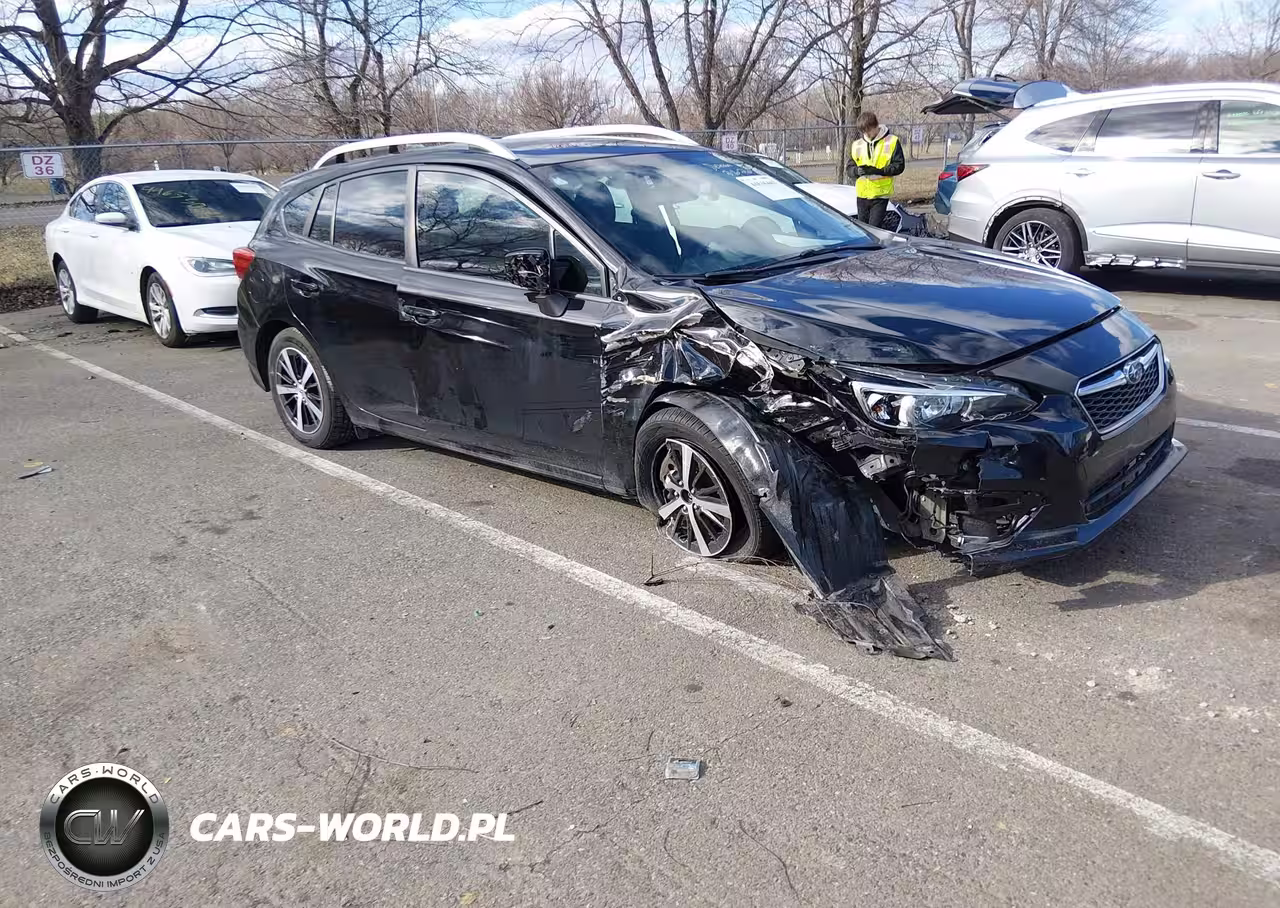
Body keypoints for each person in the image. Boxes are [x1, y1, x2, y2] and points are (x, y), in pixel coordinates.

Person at [846, 112, 905, 228]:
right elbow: (849, 168)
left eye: (869, 130)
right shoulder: (857, 145)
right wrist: (856, 171)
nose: (867, 134)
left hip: (880, 195)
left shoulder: (892, 141)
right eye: (864, 132)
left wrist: (879, 171)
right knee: (863, 229)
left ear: (876, 125)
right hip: (862, 195)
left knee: (874, 228)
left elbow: (899, 166)